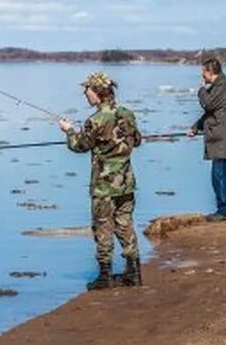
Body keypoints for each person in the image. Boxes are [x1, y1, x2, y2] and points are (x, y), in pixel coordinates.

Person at [58, 71, 145, 290]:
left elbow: (79, 146)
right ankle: (133, 273)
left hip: (104, 186)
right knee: (125, 224)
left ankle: (105, 276)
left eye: (86, 90)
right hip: (126, 182)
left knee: (103, 228)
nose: (85, 94)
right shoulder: (127, 113)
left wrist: (68, 131)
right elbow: (138, 140)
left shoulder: (95, 120)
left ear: (97, 93)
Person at [189, 58, 226, 222]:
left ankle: (225, 211)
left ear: (209, 72)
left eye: (203, 72)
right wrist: (196, 127)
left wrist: (200, 90)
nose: (202, 75)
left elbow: (208, 104)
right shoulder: (221, 86)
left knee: (220, 176)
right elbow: (213, 111)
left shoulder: (222, 86)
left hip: (224, 140)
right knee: (224, 175)